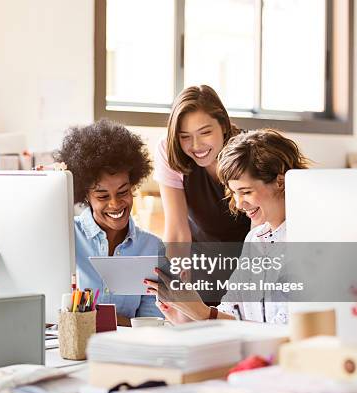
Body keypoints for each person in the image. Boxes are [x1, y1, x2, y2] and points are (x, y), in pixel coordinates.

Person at [146, 129, 310, 324]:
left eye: (246, 192)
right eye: (234, 193)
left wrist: (203, 314)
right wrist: (186, 316)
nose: (239, 204)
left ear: (280, 182)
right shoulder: (255, 239)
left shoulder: (308, 240)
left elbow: (284, 329)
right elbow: (232, 310)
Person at [54, 119, 164, 325]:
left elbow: (151, 322)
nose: (115, 204)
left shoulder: (151, 247)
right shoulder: (65, 236)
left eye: (123, 192)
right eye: (103, 196)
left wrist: (92, 319)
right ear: (86, 196)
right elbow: (50, 312)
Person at [154, 85, 251, 244]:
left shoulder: (250, 150)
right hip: (199, 257)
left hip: (250, 255)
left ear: (224, 125)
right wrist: (175, 267)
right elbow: (177, 232)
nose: (196, 145)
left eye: (205, 132)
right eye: (185, 136)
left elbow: (263, 231)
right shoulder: (169, 149)